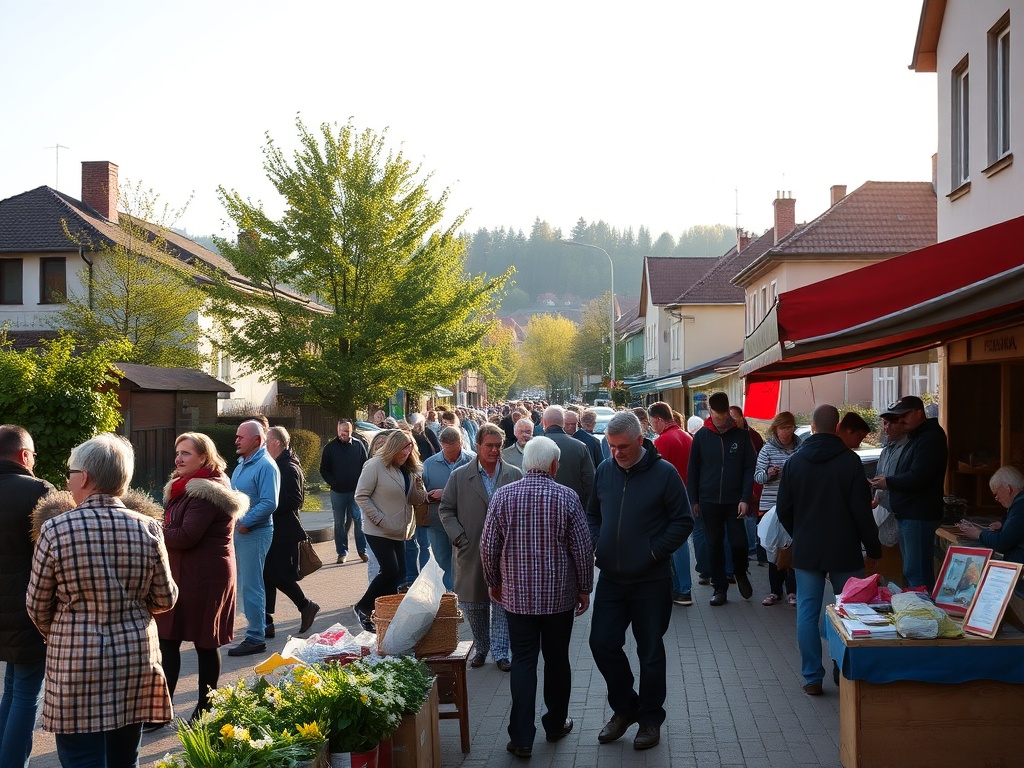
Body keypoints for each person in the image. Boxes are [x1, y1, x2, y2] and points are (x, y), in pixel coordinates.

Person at [27, 433, 178, 766]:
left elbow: (37, 605)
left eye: (70, 473)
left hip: (76, 662)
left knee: (82, 758)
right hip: (135, 658)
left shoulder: (56, 530)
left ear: (86, 478)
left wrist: (60, 631)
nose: (67, 481)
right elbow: (165, 597)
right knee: (126, 757)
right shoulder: (149, 528)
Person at [481, 436, 593, 758]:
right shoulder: (568, 497)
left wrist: (494, 582)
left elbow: (488, 547)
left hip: (517, 599)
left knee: (524, 661)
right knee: (557, 660)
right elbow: (582, 549)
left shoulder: (503, 496)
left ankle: (521, 737)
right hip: (559, 599)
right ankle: (556, 724)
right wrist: (584, 587)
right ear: (554, 465)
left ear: (527, 462)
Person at [588, 412, 693, 751]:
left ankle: (650, 719)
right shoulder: (605, 470)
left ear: (639, 440)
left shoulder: (664, 474)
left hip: (650, 579)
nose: (616, 453)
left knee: (649, 652)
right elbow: (593, 514)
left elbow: (683, 521)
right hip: (611, 579)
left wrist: (652, 553)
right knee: (601, 643)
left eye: (622, 447)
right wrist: (596, 540)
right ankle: (626, 707)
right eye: (611, 446)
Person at [776, 405, 881, 695]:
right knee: (849, 610)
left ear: (812, 426)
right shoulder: (849, 462)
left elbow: (783, 509)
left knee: (807, 613)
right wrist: (873, 549)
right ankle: (842, 669)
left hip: (807, 549)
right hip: (844, 549)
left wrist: (801, 531)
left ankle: (811, 676)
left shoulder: (794, 463)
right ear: (837, 428)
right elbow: (862, 513)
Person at [155, 432, 248, 727]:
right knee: (168, 640)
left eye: (186, 454)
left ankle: (206, 709)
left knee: (205, 644)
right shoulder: (185, 487)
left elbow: (185, 536)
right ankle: (163, 710)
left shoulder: (206, 491)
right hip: (184, 574)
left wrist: (152, 531)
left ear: (204, 458)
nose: (178, 458)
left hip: (206, 578)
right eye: (177, 452)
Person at [439, 423, 522, 671]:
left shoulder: (514, 474)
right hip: (471, 549)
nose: (495, 451)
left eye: (498, 446)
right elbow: (446, 509)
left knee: (501, 603)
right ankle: (481, 646)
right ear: (477, 446)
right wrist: (459, 538)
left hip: (505, 553)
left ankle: (500, 652)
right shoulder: (460, 475)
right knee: (475, 604)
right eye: (489, 446)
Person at [0, 426, 53, 767]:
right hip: (28, 608)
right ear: (23, 455)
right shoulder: (38, 491)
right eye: (33, 455)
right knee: (25, 693)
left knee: (12, 687)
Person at [869, 395, 948, 591]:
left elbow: (919, 476)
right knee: (913, 572)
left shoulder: (929, 438)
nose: (900, 420)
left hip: (919, 514)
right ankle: (919, 610)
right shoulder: (917, 437)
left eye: (904, 415)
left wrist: (889, 482)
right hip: (909, 513)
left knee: (917, 574)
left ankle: (923, 615)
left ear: (919, 414)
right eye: (897, 417)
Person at [352, 430, 427, 632]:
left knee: (399, 573)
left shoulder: (406, 469)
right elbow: (361, 496)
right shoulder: (375, 465)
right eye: (404, 449)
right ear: (394, 448)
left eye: (410, 449)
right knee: (390, 570)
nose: (407, 453)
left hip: (399, 529)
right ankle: (363, 607)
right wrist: (378, 517)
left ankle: (384, 614)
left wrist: (419, 486)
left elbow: (415, 500)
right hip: (378, 529)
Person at [687, 392, 756, 606]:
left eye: (724, 416)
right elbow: (693, 470)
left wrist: (745, 497)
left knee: (739, 542)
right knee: (714, 544)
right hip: (708, 500)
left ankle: (740, 570)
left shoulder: (742, 436)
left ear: (728, 412)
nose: (721, 421)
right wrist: (694, 500)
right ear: (710, 413)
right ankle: (719, 588)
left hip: (734, 501)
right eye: (717, 417)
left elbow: (749, 469)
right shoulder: (701, 436)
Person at [228, 420, 280, 657]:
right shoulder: (242, 465)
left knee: (252, 584)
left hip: (254, 532)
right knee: (246, 583)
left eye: (241, 437)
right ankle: (258, 628)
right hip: (241, 532)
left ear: (257, 440)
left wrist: (245, 523)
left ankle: (255, 637)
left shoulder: (266, 466)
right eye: (237, 436)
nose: (236, 440)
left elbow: (270, 502)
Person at [264, 427, 320, 638]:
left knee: (276, 574)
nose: (264, 444)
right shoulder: (277, 464)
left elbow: (296, 500)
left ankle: (306, 605)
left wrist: (268, 505)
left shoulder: (287, 467)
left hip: (284, 531)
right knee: (267, 575)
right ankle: (266, 622)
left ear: (277, 442)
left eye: (267, 440)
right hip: (275, 529)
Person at [648, 401, 694, 607]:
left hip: (668, 500)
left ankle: (682, 588)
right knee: (681, 543)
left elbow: (655, 475)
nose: (651, 427)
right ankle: (681, 587)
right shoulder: (687, 437)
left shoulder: (662, 441)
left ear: (658, 419)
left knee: (675, 545)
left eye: (651, 422)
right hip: (687, 495)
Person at [753, 412, 802, 606]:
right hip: (771, 506)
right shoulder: (767, 450)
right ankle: (775, 591)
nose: (786, 432)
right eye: (782, 428)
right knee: (773, 548)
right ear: (776, 429)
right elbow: (757, 477)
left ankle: (792, 591)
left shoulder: (801, 448)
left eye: (789, 428)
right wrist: (768, 473)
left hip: (794, 506)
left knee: (792, 548)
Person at [422, 427, 474, 591]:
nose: (449, 453)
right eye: (445, 449)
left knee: (463, 560)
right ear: (441, 444)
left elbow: (479, 491)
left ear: (461, 443)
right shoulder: (429, 464)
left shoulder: (473, 461)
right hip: (437, 522)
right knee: (442, 560)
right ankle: (448, 596)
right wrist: (426, 495)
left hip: (466, 522)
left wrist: (444, 493)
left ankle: (459, 595)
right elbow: (421, 491)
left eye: (453, 449)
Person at [320, 418, 369, 565]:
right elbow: (324, 470)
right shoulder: (330, 448)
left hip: (356, 492)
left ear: (351, 431)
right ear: (337, 431)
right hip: (338, 493)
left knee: (359, 521)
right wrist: (334, 482)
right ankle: (342, 552)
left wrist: (362, 485)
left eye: (346, 431)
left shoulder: (359, 446)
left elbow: (365, 466)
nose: (344, 434)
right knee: (339, 523)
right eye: (341, 431)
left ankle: (362, 550)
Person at [957, 466, 1024, 565]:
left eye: (997, 494)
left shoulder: (1020, 507)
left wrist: (978, 534)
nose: (997, 498)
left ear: (1008, 488)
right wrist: (1004, 524)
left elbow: (1002, 543)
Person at [541, 406, 594, 507]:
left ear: (544, 422)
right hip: (572, 506)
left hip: (541, 507)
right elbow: (589, 480)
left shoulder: (533, 446)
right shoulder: (580, 447)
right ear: (563, 423)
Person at [731, 405, 765, 561]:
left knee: (750, 515)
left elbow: (757, 462)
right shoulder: (729, 435)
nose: (731, 421)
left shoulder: (752, 436)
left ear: (741, 418)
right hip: (735, 484)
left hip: (751, 483)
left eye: (734, 417)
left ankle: (752, 548)